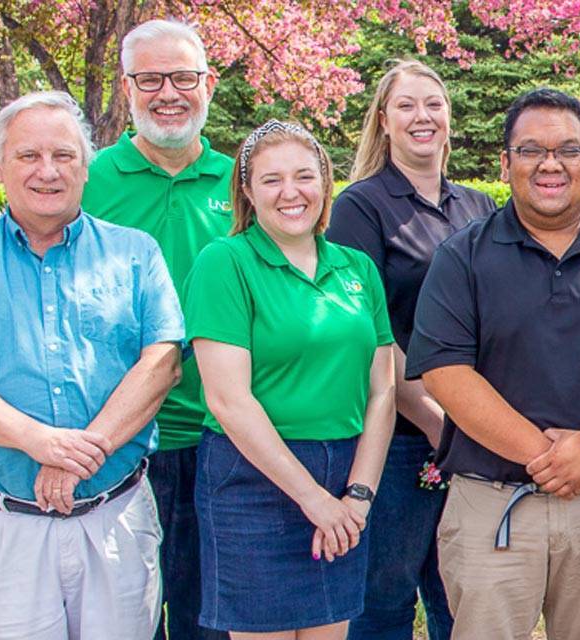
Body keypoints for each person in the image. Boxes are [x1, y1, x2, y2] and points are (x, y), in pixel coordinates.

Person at [407, 87, 580, 640]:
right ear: (505, 163)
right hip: (493, 506)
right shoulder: (462, 256)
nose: (550, 164)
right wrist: (552, 457)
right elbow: (445, 372)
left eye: (567, 150)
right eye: (531, 150)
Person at [0, 90, 182, 639]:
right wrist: (40, 442)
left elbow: (163, 362)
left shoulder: (135, 253)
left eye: (64, 155)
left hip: (115, 521)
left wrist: (77, 456)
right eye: (28, 156)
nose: (47, 171)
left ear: (86, 168)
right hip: (3, 530)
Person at [186, 120, 399, 637]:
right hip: (253, 480)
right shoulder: (225, 263)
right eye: (272, 179)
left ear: (325, 182)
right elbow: (228, 400)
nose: (291, 192)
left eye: (304, 176)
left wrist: (358, 497)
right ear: (247, 191)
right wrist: (313, 499)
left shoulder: (357, 268)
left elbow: (383, 390)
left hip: (345, 478)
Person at [327, 60, 499, 640]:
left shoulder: (479, 206)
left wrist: (477, 425)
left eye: (433, 104)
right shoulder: (361, 207)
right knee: (384, 602)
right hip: (399, 440)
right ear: (383, 120)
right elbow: (368, 332)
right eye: (406, 105)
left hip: (476, 436)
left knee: (466, 600)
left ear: (449, 116)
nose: (422, 116)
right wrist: (433, 419)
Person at [82, 20, 232, 640]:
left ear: (209, 84)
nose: (168, 93)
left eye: (183, 78)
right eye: (150, 79)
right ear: (126, 88)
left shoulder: (244, 183)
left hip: (223, 434)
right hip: (121, 439)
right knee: (127, 614)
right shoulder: (88, 180)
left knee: (208, 616)